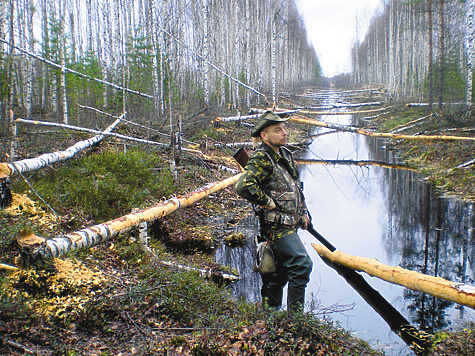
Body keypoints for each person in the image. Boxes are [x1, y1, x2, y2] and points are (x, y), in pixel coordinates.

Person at [235, 110, 313, 311]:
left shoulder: (284, 153)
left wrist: (304, 212)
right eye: (278, 130)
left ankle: (270, 317)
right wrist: (267, 201)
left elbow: (295, 186)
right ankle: (295, 323)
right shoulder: (261, 158)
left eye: (284, 129)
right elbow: (244, 186)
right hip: (276, 228)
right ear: (264, 135)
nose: (284, 133)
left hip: (291, 223)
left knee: (280, 273)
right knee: (301, 265)